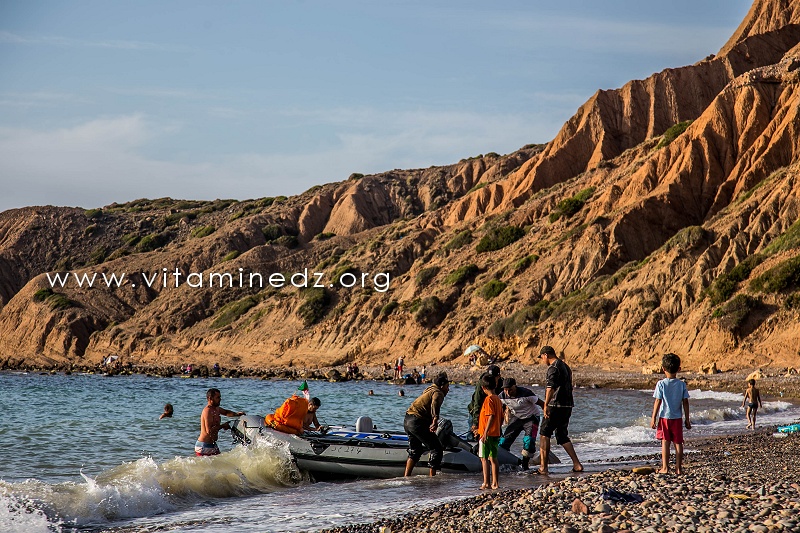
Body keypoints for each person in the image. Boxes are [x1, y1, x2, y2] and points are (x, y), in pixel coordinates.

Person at [537, 346, 583, 475]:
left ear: (546, 355)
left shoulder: (553, 368)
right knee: (562, 435)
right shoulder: (565, 366)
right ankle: (577, 464)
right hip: (568, 405)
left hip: (555, 405)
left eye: (541, 357)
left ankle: (543, 468)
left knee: (544, 434)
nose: (542, 360)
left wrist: (545, 404)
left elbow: (550, 388)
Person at [650, 353, 691, 474]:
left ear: (663, 369)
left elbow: (658, 401)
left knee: (665, 442)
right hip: (677, 417)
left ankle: (665, 467)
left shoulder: (661, 384)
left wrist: (653, 417)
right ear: (679, 369)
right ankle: (678, 468)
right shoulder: (682, 384)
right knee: (678, 443)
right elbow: (685, 402)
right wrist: (687, 419)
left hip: (664, 417)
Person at [403, 373, 449, 476]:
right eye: (447, 387)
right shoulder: (438, 393)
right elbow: (435, 403)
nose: (448, 390)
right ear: (441, 386)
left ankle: (406, 476)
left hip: (407, 419)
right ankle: (432, 477)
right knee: (436, 448)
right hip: (416, 422)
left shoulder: (430, 388)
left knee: (415, 451)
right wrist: (435, 420)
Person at [499, 377, 544, 469]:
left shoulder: (526, 393)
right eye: (505, 389)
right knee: (503, 441)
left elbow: (542, 404)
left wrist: (547, 414)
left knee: (529, 440)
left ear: (515, 387)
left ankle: (525, 463)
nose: (507, 392)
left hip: (531, 417)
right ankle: (502, 462)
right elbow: (499, 409)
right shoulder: (502, 396)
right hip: (517, 417)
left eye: (510, 390)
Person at [196, 388, 245, 456]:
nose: (220, 399)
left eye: (220, 397)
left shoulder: (216, 409)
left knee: (221, 464)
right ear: (210, 398)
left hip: (213, 444)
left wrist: (237, 414)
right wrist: (223, 426)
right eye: (218, 397)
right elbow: (209, 431)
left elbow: (226, 412)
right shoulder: (207, 411)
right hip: (203, 445)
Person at [478, 374, 502, 489]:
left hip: (486, 434)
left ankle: (486, 483)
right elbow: (500, 417)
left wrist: (485, 433)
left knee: (484, 458)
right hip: (496, 433)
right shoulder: (497, 399)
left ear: (483, 388)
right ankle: (495, 483)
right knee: (493, 458)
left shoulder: (488, 400)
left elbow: (491, 416)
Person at [468, 365, 502, 439]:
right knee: (472, 436)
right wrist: (475, 423)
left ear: (499, 376)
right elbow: (477, 403)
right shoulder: (483, 383)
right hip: (477, 411)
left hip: (491, 412)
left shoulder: (501, 384)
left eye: (493, 378)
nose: (491, 379)